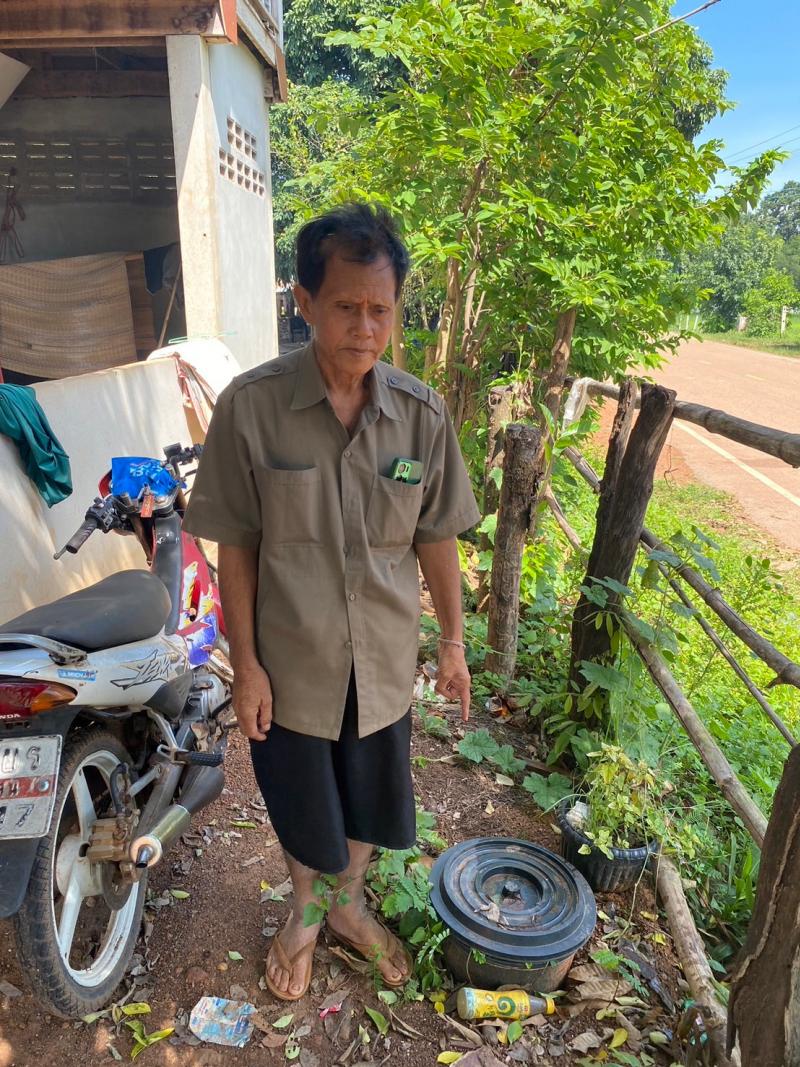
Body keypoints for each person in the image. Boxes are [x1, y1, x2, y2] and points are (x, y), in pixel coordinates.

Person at [183, 202, 480, 1002]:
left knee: (368, 802)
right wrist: (247, 665)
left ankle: (347, 908)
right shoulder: (251, 407)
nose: (365, 327)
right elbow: (236, 545)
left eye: (381, 309)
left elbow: (437, 536)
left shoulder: (420, 415)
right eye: (346, 306)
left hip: (382, 659)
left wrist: (452, 643)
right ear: (305, 301)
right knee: (304, 804)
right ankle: (305, 915)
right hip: (292, 660)